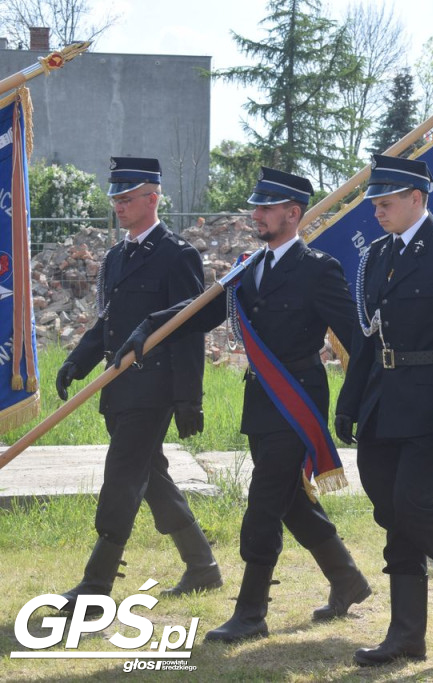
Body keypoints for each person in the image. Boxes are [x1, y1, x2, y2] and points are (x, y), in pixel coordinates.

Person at [117, 167, 370, 643]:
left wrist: (357, 400)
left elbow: (355, 339)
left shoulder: (319, 268)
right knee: (289, 500)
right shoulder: (250, 266)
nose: (255, 214)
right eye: (255, 207)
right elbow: (204, 309)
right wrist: (149, 325)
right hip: (261, 400)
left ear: (293, 214)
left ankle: (251, 611)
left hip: (296, 399)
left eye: (266, 208)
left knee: (263, 503)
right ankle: (347, 579)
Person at [336, 154, 433, 666]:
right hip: (383, 401)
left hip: (432, 402)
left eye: (385, 203)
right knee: (392, 514)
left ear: (416, 199)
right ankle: (406, 635)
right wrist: (349, 401)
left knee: (412, 505)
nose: (377, 212)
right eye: (375, 203)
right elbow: (367, 338)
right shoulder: (379, 254)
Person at [54, 157, 221, 612]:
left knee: (123, 476)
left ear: (153, 198)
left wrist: (189, 398)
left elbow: (189, 328)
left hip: (154, 388)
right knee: (152, 475)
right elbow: (107, 321)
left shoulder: (177, 254)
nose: (119, 207)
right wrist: (78, 361)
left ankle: (95, 586)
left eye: (127, 199)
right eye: (115, 200)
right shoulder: (116, 255)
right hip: (118, 387)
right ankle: (203, 565)